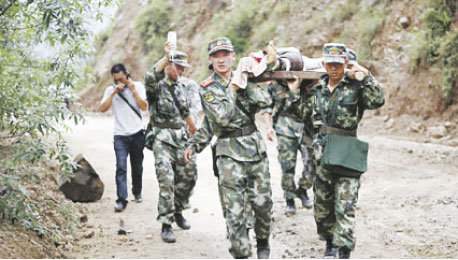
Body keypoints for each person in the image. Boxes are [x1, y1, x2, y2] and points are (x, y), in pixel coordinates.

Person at [286, 43, 385, 259]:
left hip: (347, 151)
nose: (334, 68)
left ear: (346, 64)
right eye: (330, 64)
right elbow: (298, 113)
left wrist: (366, 76)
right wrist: (293, 92)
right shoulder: (316, 90)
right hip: (322, 156)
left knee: (346, 205)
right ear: (323, 64)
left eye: (338, 64)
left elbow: (378, 101)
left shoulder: (356, 88)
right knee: (322, 207)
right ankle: (329, 243)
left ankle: (344, 250)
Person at [184, 37, 274, 259]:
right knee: (234, 211)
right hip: (228, 154)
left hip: (254, 149)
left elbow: (264, 102)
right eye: (216, 55)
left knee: (263, 204)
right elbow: (219, 120)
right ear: (210, 59)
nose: (221, 59)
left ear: (233, 57)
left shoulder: (245, 78)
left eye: (225, 54)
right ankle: (241, 252)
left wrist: (252, 77)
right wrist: (195, 145)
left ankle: (263, 242)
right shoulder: (207, 88)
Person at [144, 42, 198, 243]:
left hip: (181, 138)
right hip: (162, 139)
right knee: (167, 180)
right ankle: (166, 223)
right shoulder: (156, 87)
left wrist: (195, 133)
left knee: (189, 176)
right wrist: (165, 57)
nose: (181, 71)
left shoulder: (183, 87)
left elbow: (189, 113)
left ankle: (178, 210)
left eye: (183, 67)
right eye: (178, 66)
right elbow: (149, 77)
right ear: (168, 66)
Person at [99, 63, 147, 212]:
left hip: (137, 133)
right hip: (120, 135)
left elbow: (144, 107)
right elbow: (102, 109)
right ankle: (121, 199)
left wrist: (133, 91)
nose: (119, 82)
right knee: (121, 167)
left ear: (127, 74)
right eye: (116, 80)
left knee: (137, 167)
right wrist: (114, 92)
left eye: (121, 79)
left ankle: (137, 191)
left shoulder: (137, 86)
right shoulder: (110, 90)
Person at [266, 80, 313, 214]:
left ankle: (303, 189)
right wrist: (269, 126)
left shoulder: (311, 84)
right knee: (287, 166)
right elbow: (267, 107)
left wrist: (298, 89)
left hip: (306, 128)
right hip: (285, 128)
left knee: (312, 163)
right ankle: (289, 198)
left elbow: (313, 107)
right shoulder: (275, 86)